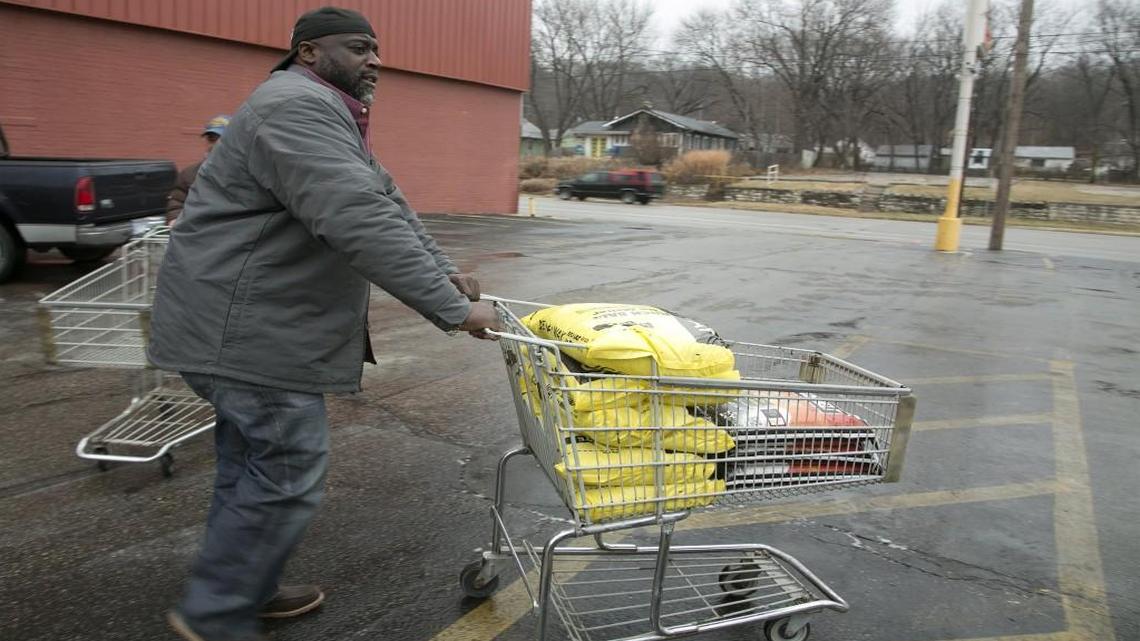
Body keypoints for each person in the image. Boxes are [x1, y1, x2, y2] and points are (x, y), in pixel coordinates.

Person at [146, 7, 500, 641]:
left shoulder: (325, 111)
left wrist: (444, 271)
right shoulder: (295, 108)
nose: (375, 61)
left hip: (244, 328)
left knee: (250, 466)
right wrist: (454, 311)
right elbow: (354, 216)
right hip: (248, 333)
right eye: (359, 48)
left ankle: (245, 588)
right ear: (308, 52)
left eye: (376, 49)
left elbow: (386, 202)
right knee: (286, 471)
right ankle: (215, 613)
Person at [165, 115, 230, 225]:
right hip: (198, 231)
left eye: (222, 139)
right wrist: (175, 218)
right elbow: (177, 201)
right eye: (211, 139)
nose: (215, 144)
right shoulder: (189, 174)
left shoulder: (247, 172)